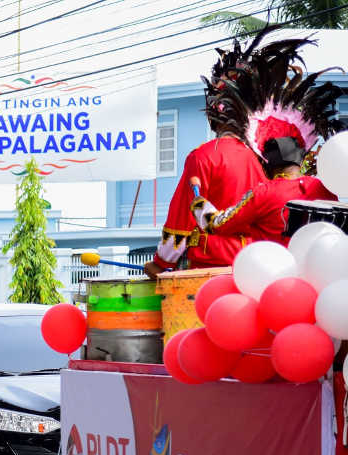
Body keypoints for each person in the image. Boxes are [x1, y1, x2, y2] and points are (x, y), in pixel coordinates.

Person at [144, 29, 340, 278]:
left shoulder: (204, 156)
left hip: (210, 270)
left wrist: (160, 263)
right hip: (262, 267)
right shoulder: (264, 161)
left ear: (214, 116)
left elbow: (182, 222)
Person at [196, 137, 338, 245]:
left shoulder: (264, 192)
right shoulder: (324, 189)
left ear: (268, 165)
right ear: (300, 162)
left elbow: (221, 224)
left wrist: (201, 207)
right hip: (320, 272)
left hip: (274, 273)